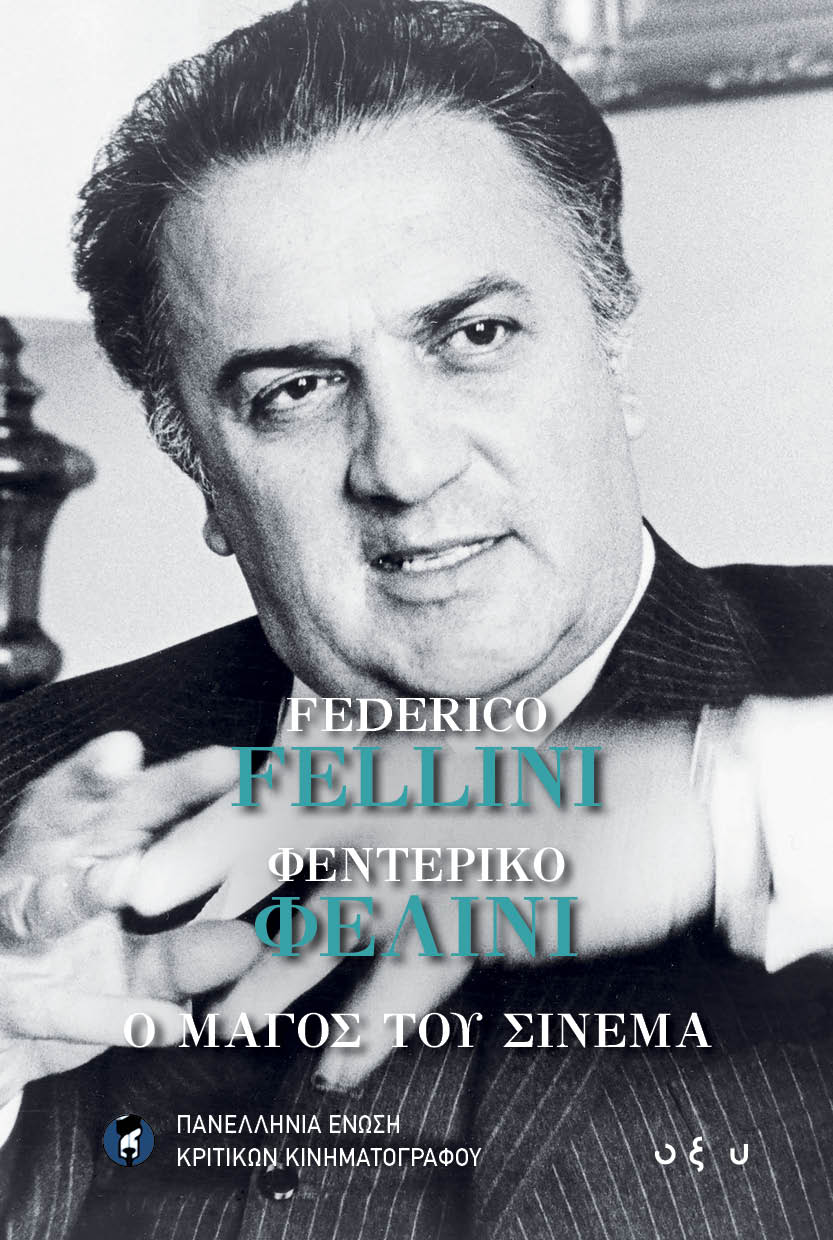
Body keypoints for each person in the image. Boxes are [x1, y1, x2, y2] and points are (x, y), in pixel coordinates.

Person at [1, 1, 832, 1236]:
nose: (401, 462)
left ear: (613, 353)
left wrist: (723, 809)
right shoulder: (26, 800)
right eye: (294, 389)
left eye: (474, 336)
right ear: (202, 477)